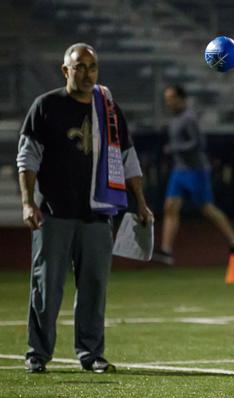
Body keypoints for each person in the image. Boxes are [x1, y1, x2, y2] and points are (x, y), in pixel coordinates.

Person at [17, 43, 153, 373]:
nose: (87, 72)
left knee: (94, 288)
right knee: (46, 287)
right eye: (80, 66)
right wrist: (27, 202)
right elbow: (27, 156)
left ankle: (90, 353)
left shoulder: (107, 108)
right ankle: (38, 353)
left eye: (92, 67)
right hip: (55, 212)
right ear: (66, 70)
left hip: (98, 214)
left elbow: (127, 158)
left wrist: (141, 203)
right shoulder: (46, 106)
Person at [152, 84, 234, 266]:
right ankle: (166, 250)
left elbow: (198, 143)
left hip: (196, 170)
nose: (168, 103)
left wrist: (175, 149)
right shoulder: (174, 119)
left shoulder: (189, 118)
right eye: (167, 99)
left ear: (181, 99)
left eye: (171, 98)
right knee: (170, 206)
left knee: (207, 208)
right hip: (179, 170)